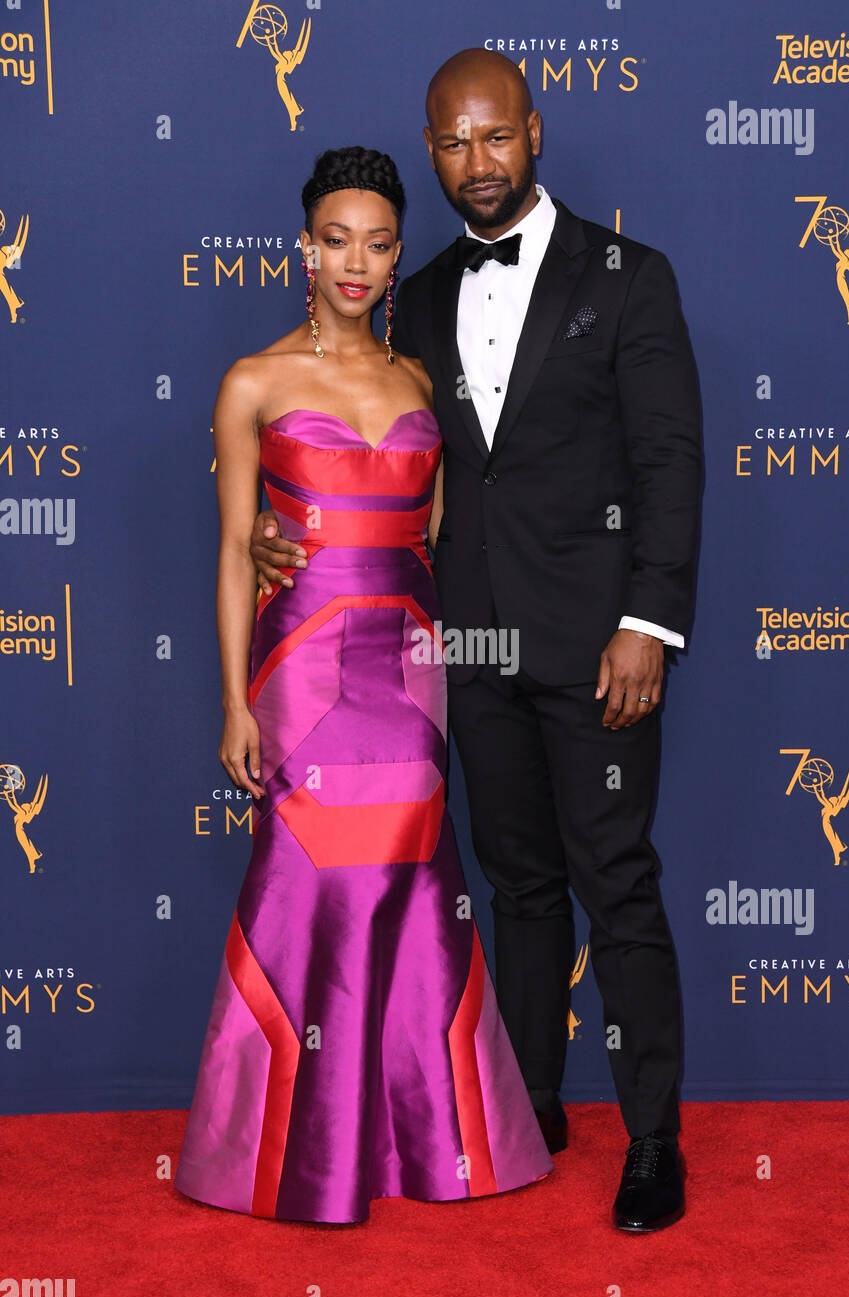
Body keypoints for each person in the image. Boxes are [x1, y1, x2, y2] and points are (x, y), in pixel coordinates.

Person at [251, 51, 704, 1234]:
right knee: (515, 885)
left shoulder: (629, 276)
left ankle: (654, 1138)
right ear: (433, 148)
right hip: (469, 651)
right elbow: (386, 459)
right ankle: (532, 1102)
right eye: (452, 144)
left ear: (534, 131)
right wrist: (272, 533)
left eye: (494, 138)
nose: (476, 163)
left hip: (603, 647)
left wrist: (647, 623)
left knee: (620, 885)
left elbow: (668, 464)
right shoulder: (426, 293)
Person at [174, 146, 553, 1225]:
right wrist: (238, 702)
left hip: (411, 665)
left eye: (379, 242)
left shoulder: (418, 381)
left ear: (397, 254)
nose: (357, 261)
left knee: (413, 885)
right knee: (309, 886)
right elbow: (235, 550)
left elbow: (429, 533)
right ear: (304, 246)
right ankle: (289, 1151)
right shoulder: (254, 379)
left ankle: (425, 1139)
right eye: (336, 239)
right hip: (303, 663)